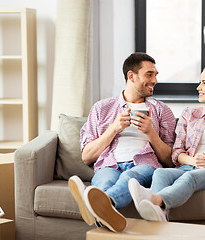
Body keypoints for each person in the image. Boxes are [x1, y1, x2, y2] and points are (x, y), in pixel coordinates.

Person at [128, 63, 205, 222]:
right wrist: (193, 160)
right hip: (188, 165)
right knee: (160, 173)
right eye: (200, 82)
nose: (198, 87)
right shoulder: (189, 114)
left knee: (189, 178)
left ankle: (155, 200)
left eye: (204, 83)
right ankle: (160, 215)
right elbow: (177, 152)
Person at [68, 52, 176, 232]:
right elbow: (87, 156)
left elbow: (170, 160)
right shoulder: (102, 108)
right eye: (150, 74)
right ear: (131, 76)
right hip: (109, 165)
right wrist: (114, 128)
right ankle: (103, 211)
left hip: (144, 164)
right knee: (104, 182)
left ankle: (96, 206)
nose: (155, 80)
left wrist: (151, 132)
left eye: (156, 74)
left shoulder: (162, 111)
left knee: (128, 178)